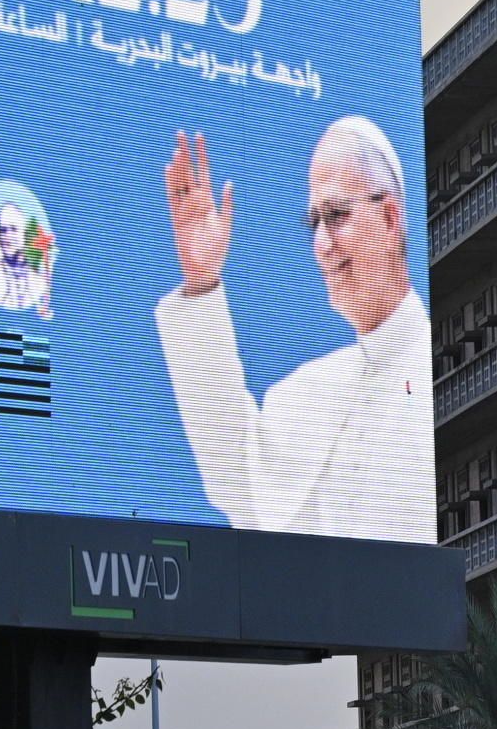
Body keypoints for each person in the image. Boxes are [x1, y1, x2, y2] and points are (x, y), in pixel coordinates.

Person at [154, 117, 431, 543]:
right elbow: (237, 482)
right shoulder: (304, 393)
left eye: (336, 216)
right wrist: (202, 281)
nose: (322, 244)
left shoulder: (444, 371)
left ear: (391, 218)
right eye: (313, 222)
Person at [0, 192, 54, 319]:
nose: (7, 236)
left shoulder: (40, 282)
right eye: (3, 230)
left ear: (25, 234)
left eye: (13, 229)